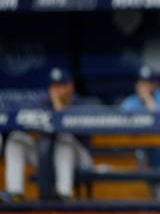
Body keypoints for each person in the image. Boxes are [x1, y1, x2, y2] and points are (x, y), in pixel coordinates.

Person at [1, 68, 92, 202]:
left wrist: (58, 107)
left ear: (70, 87)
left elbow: (80, 134)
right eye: (54, 86)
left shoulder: (81, 103)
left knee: (64, 139)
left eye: (61, 85)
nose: (56, 90)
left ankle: (64, 193)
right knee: (16, 139)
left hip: (79, 158)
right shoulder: (41, 102)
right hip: (48, 156)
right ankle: (15, 192)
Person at [120, 66, 160, 201]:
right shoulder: (130, 102)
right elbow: (121, 123)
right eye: (141, 82)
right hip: (138, 149)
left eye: (148, 82)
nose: (143, 86)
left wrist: (148, 100)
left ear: (156, 85)